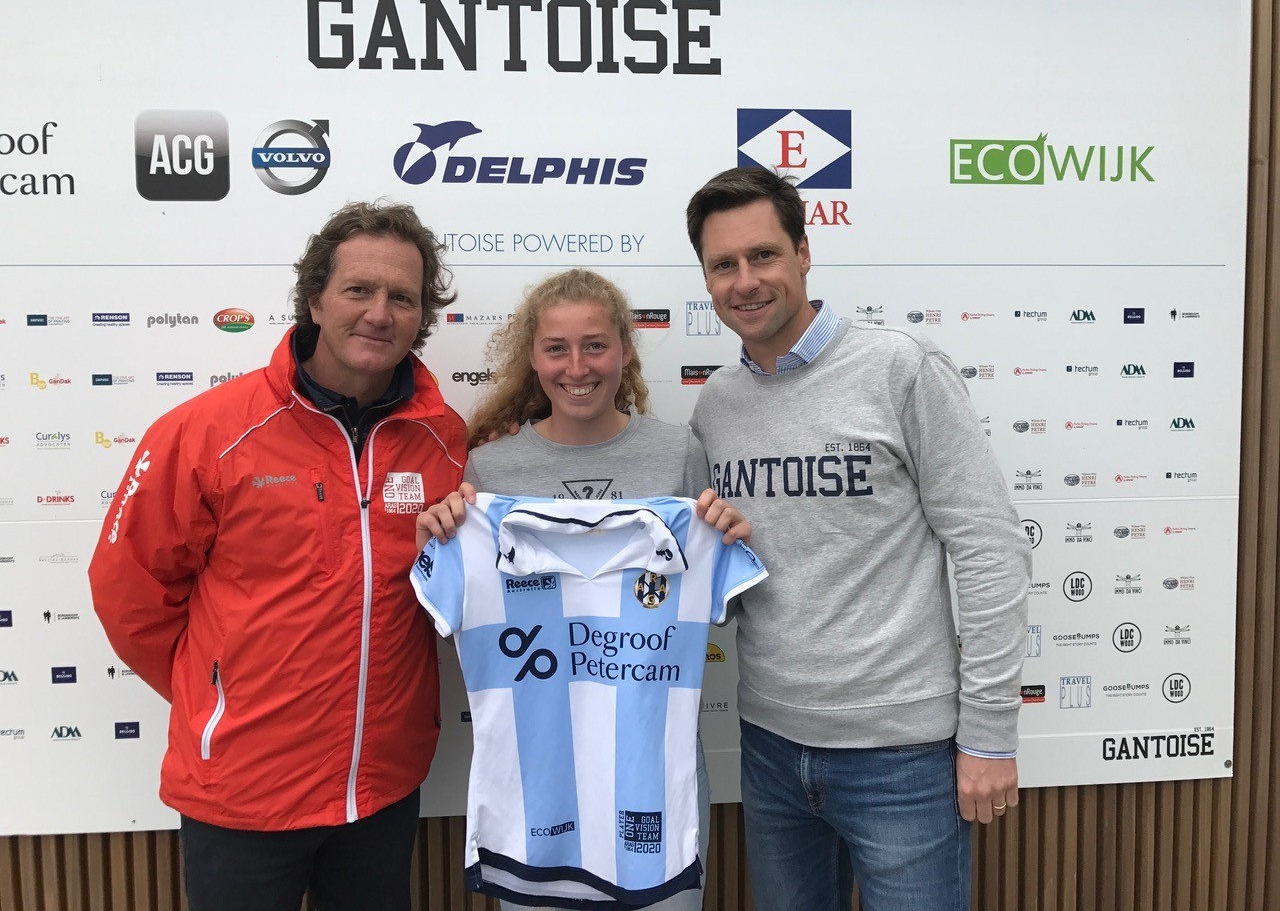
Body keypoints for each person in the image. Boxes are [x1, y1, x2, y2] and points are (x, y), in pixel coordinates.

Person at [87, 201, 467, 911]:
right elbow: (129, 592)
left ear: (422, 315)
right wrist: (219, 698)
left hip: (381, 788)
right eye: (359, 290)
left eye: (402, 297)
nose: (379, 313)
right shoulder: (208, 430)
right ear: (315, 300)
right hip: (243, 791)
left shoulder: (442, 439)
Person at [684, 167, 1031, 911]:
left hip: (903, 758)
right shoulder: (717, 404)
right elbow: (730, 590)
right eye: (723, 264)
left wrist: (990, 734)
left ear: (804, 253)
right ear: (707, 279)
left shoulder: (900, 367)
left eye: (764, 255)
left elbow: (990, 548)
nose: (745, 281)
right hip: (770, 746)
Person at [416, 267, 750, 911]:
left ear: (624, 349)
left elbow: (720, 610)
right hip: (539, 799)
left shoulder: (678, 453)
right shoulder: (491, 467)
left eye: (595, 345)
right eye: (557, 348)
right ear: (533, 358)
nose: (578, 367)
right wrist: (443, 536)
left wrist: (726, 541)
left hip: (654, 783)